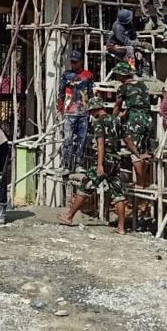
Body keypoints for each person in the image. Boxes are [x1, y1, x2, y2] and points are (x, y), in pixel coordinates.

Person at [57, 97, 139, 234]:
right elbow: (128, 140)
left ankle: (69, 216)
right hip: (116, 161)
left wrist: (100, 164)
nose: (90, 114)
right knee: (118, 194)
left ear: (95, 109)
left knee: (85, 186)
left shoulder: (99, 122)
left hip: (105, 159)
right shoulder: (116, 120)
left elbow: (101, 143)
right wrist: (138, 153)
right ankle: (121, 227)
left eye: (91, 111)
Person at [110, 61, 152, 188]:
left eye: (117, 74)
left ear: (122, 75)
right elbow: (138, 102)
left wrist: (112, 120)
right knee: (144, 150)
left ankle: (139, 183)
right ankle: (143, 181)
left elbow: (117, 106)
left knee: (134, 150)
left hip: (135, 120)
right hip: (147, 118)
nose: (117, 77)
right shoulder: (142, 85)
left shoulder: (123, 87)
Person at [57, 51, 93, 172]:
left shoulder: (88, 75)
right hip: (69, 112)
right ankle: (66, 165)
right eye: (71, 62)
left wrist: (92, 111)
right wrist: (59, 109)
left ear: (81, 62)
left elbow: (91, 94)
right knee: (67, 139)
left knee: (81, 139)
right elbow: (61, 92)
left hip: (84, 112)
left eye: (75, 62)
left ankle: (79, 164)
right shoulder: (66, 75)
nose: (73, 64)